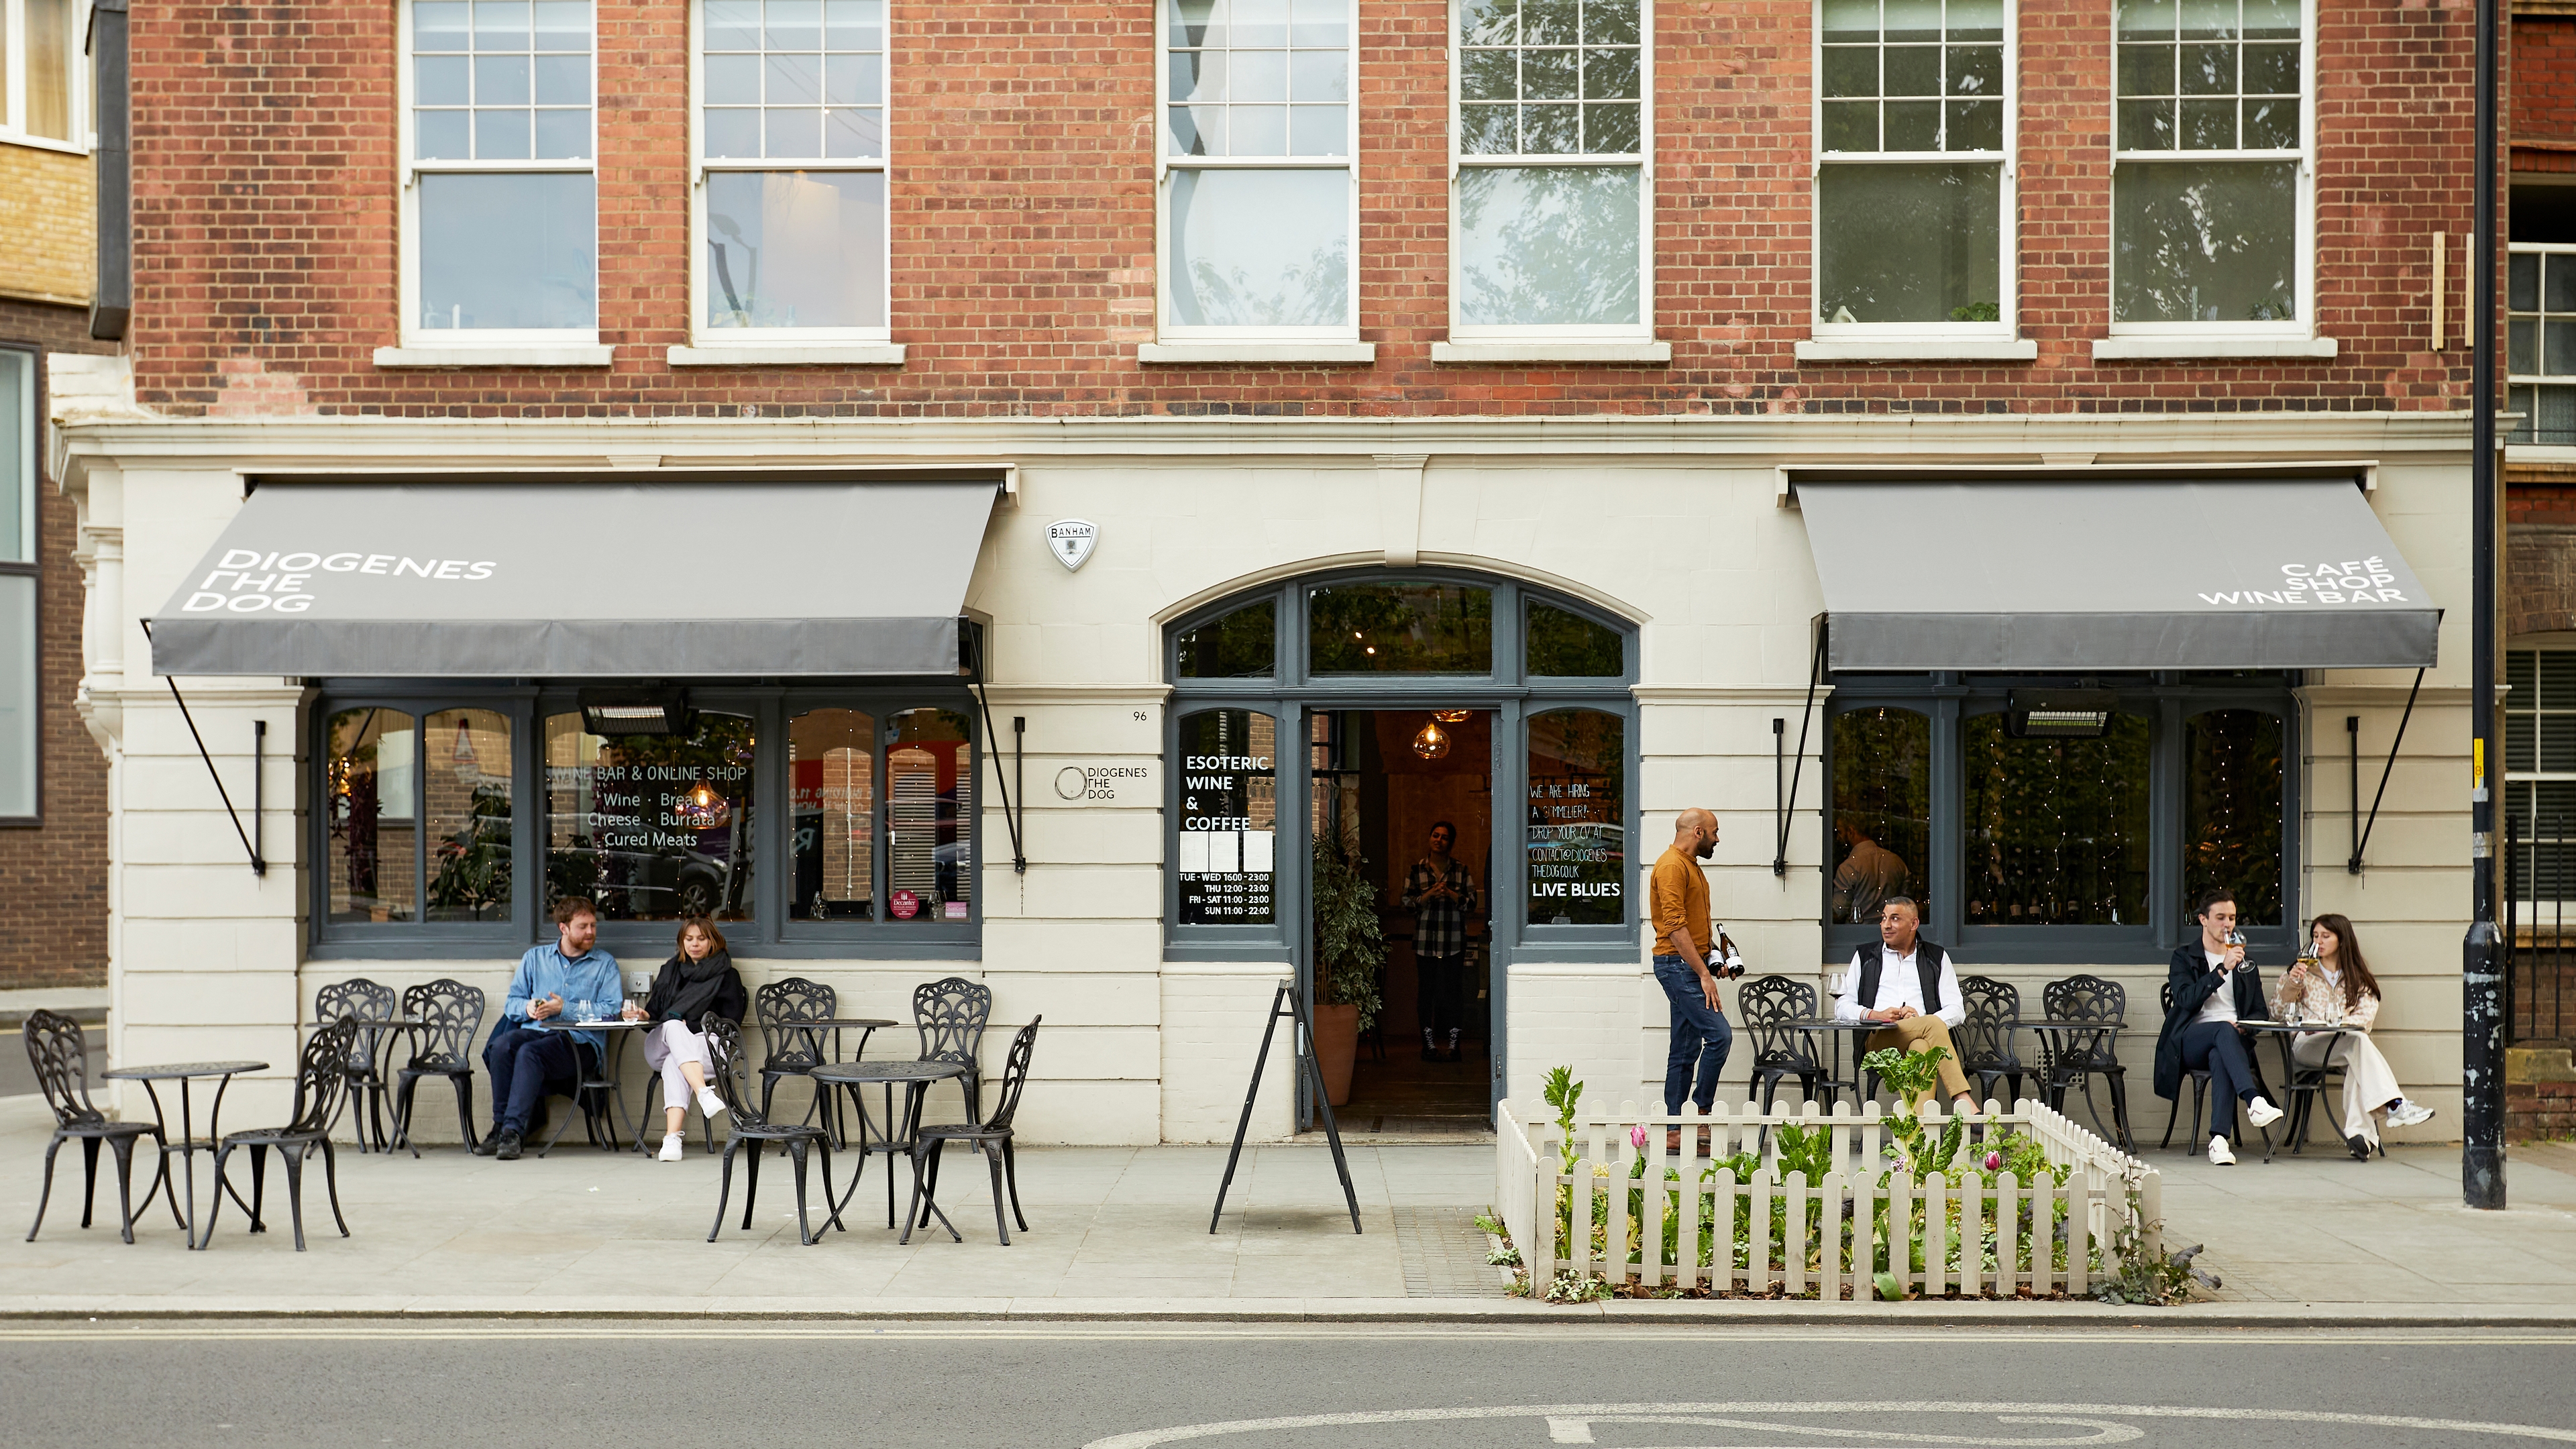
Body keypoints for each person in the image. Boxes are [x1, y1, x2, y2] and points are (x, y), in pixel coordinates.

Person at [2274, 913, 2436, 1159]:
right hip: (2308, 1046)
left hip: (2345, 1045)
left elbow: (2365, 1020)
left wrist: (2332, 1026)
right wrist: (2293, 983)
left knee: (2357, 1052)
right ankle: (2394, 1105)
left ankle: (2360, 1136)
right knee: (2358, 1044)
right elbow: (2278, 1012)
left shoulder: (2356, 976)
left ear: (2342, 940)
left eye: (2326, 936)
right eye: (2315, 936)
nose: (2319, 941)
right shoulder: (2302, 972)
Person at [476, 897, 624, 1161]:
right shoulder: (535, 958)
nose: (590, 932)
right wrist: (529, 1008)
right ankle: (500, 1126)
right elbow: (513, 1002)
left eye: (593, 925)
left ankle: (512, 1132)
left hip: (581, 1042)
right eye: (583, 926)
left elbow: (611, 1010)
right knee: (502, 1046)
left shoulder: (604, 964)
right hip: (538, 1030)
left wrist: (564, 1009)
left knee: (530, 1053)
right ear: (563, 928)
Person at [2153, 888, 2286, 1165]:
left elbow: (2259, 1011)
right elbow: (2186, 999)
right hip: (2190, 1041)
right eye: (2221, 917)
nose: (2228, 924)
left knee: (2221, 1051)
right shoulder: (2185, 957)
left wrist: (2244, 1028)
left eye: (2233, 918)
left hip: (2230, 1042)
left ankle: (2219, 1141)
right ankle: (2253, 1100)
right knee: (2220, 1030)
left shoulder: (2246, 964)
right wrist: (2221, 970)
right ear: (2203, 919)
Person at [1831, 896, 1978, 1116]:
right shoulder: (1865, 956)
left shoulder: (1936, 957)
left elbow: (1957, 1009)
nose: (1886, 925)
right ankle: (1962, 1099)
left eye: (1895, 919)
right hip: (1879, 1039)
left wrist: (1919, 1021)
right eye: (1883, 919)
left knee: (1922, 1048)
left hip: (1921, 1037)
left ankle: (1917, 1136)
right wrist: (1875, 1014)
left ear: (1914, 924)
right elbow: (1842, 1006)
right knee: (1930, 1025)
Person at [626, 916, 749, 1161]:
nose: (695, 944)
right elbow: (655, 1013)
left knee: (676, 1062)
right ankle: (703, 1092)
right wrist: (642, 1014)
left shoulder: (727, 975)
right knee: (672, 1026)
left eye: (701, 939)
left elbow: (731, 1022)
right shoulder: (670, 971)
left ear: (713, 941)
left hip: (709, 1046)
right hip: (661, 1044)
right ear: (681, 942)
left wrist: (690, 1025)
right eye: (689, 939)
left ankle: (672, 1139)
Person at [1652, 808, 1735, 1150]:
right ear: (1698, 832)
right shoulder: (1672, 866)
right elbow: (1673, 926)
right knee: (1720, 1035)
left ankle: (1673, 1128)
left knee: (1684, 1048)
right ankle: (1701, 1113)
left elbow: (1693, 928)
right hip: (1677, 967)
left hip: (1689, 963)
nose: (1718, 839)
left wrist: (1714, 958)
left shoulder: (1691, 867)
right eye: (1715, 832)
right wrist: (1703, 974)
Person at [1399, 820, 1480, 1063]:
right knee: (1427, 994)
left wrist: (1452, 895)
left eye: (1444, 837)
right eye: (1435, 835)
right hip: (1425, 943)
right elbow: (1406, 902)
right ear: (1429, 838)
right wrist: (1429, 895)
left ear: (1451, 843)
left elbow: (1473, 904)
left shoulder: (1461, 870)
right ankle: (1429, 1045)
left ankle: (1454, 1046)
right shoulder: (1417, 870)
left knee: (1453, 994)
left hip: (1453, 943)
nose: (1439, 840)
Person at [1831, 819, 1910, 926]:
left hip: (1856, 934)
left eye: (1839, 833)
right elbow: (1906, 903)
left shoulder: (1849, 866)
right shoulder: (1897, 862)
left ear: (1851, 831)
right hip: (1892, 931)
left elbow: (1839, 911)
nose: (1837, 839)